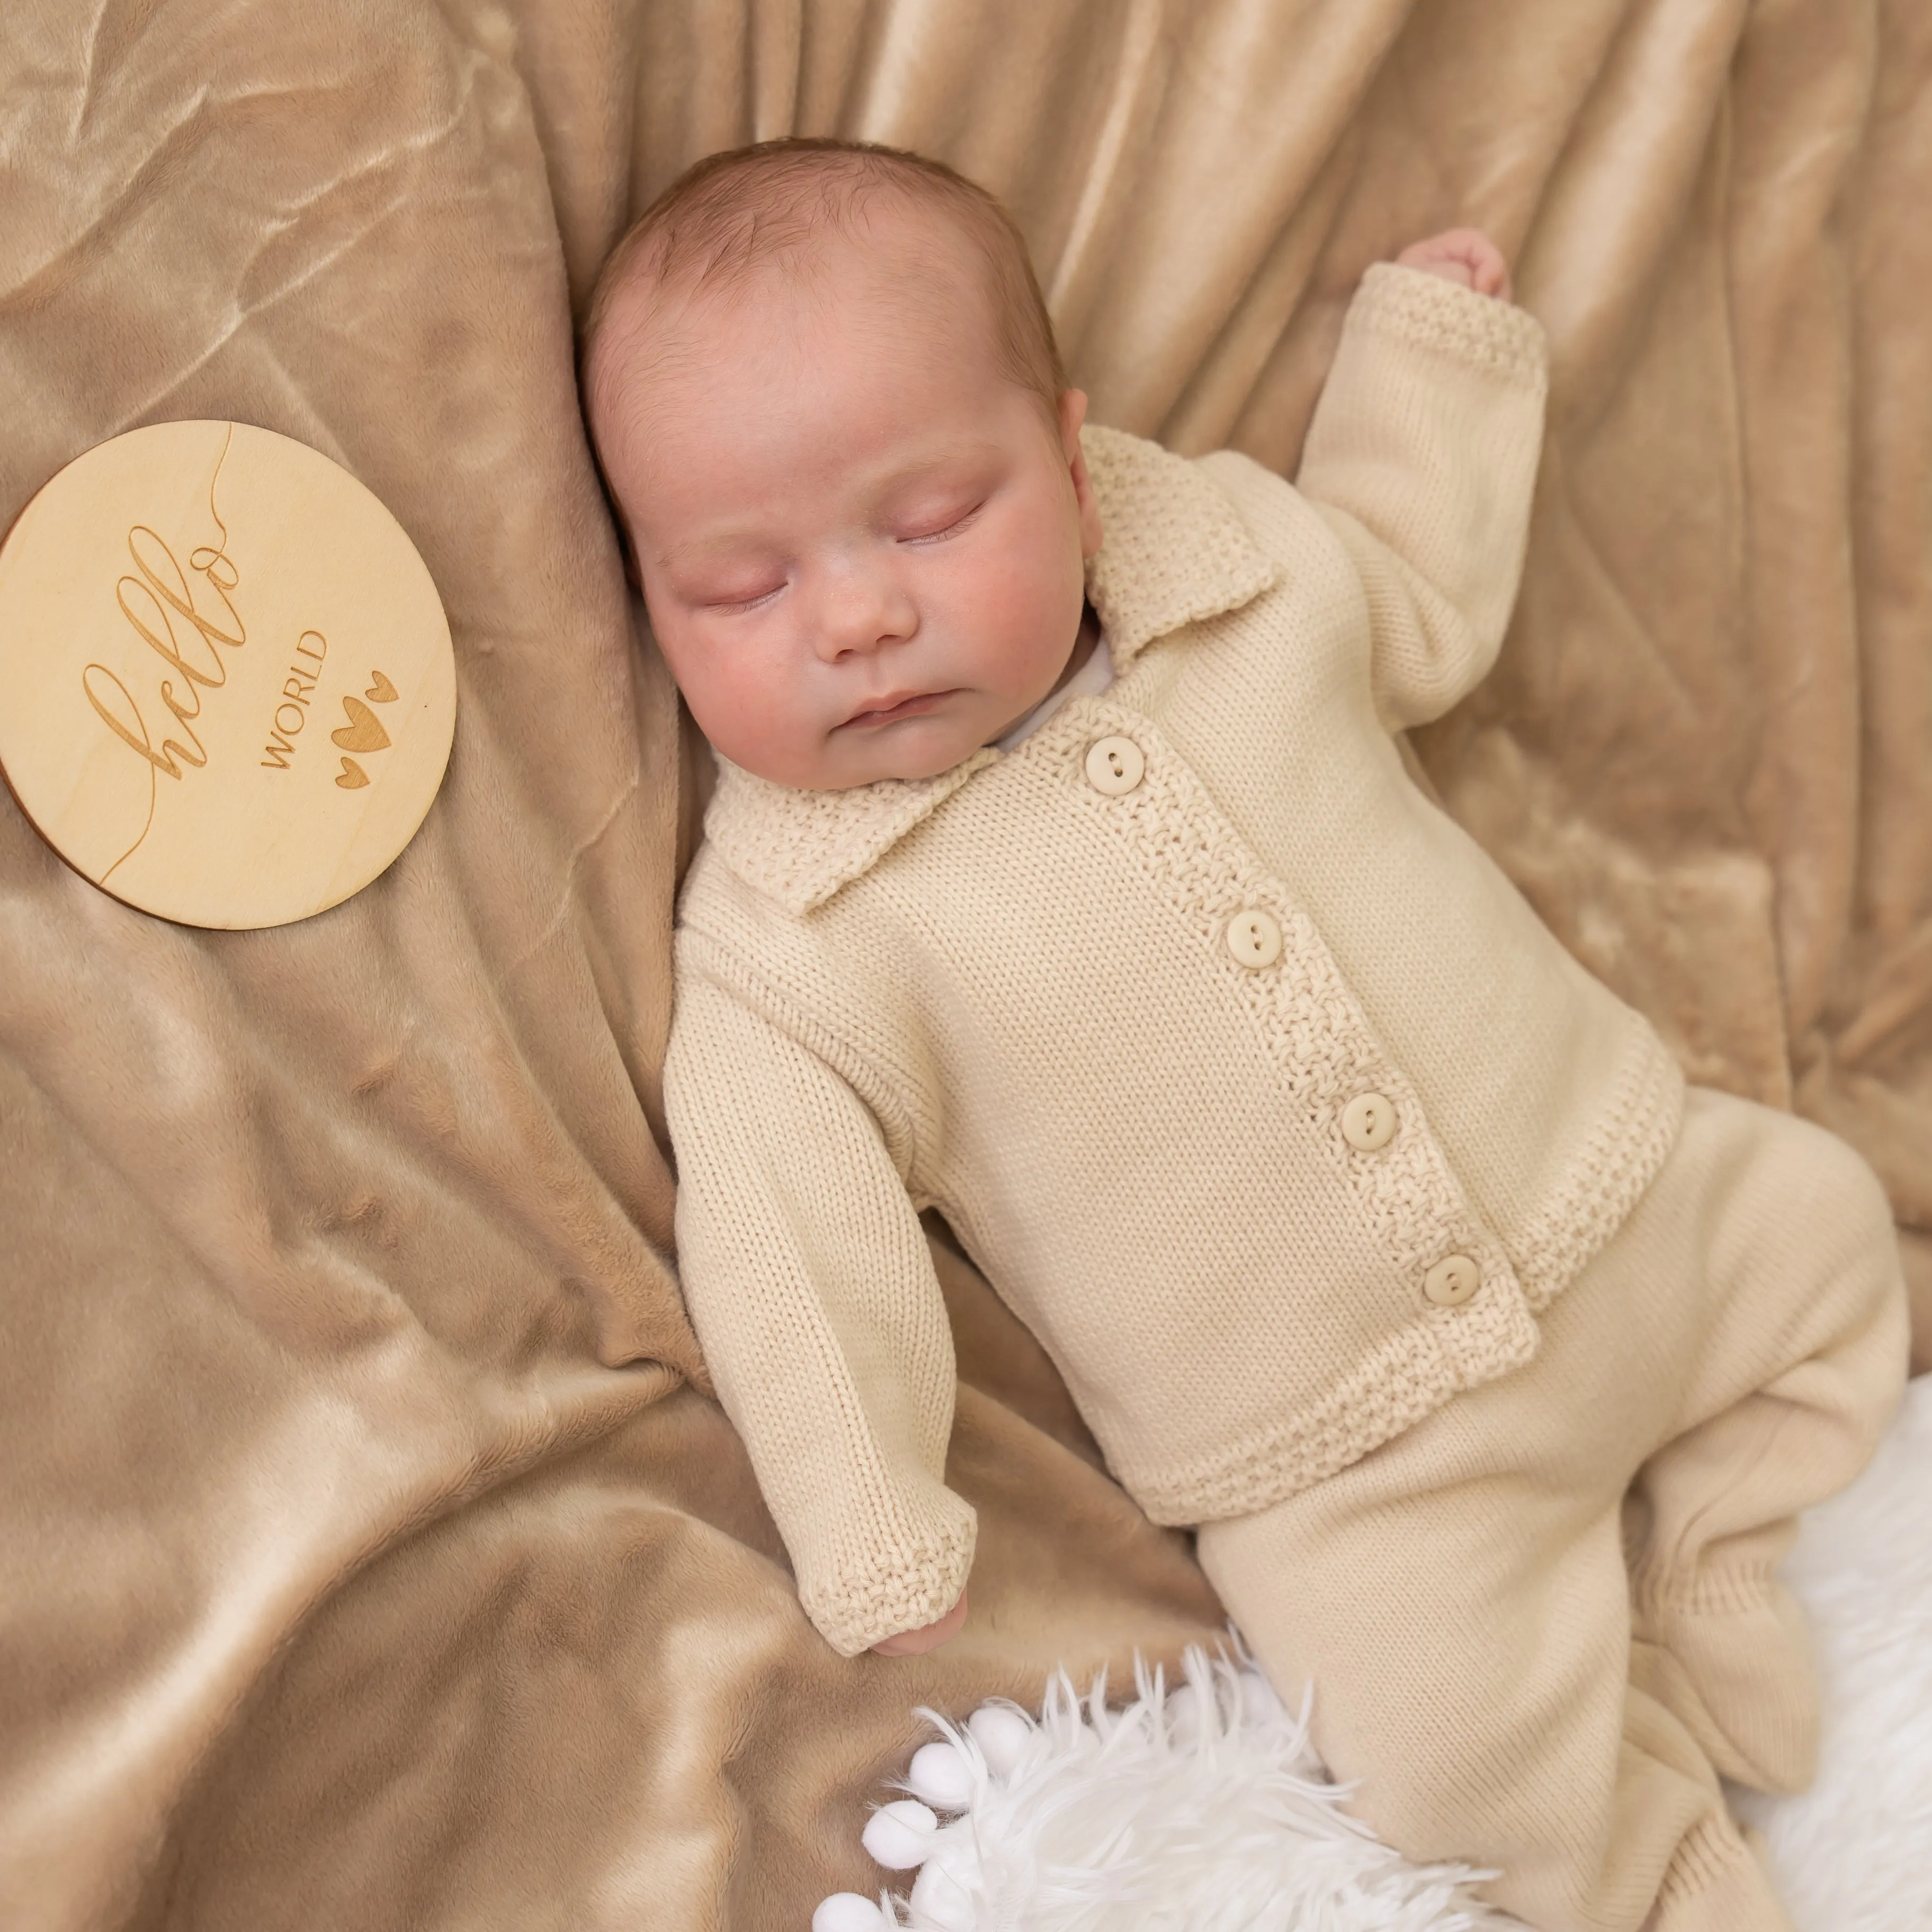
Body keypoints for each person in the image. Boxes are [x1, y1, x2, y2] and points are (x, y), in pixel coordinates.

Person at [580, 137, 1907, 1932]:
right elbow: (781, 1235)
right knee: (1453, 1769)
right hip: (1355, 1473)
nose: (857, 615)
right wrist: (870, 1517)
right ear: (650, 606)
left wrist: (1425, 367)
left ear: (1067, 458)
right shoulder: (790, 943)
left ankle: (1719, 1549)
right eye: (738, 591)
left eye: (930, 519)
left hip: (1632, 1182)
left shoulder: (1232, 573)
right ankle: (1667, 1854)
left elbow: (1413, 590)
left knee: (1833, 1241)